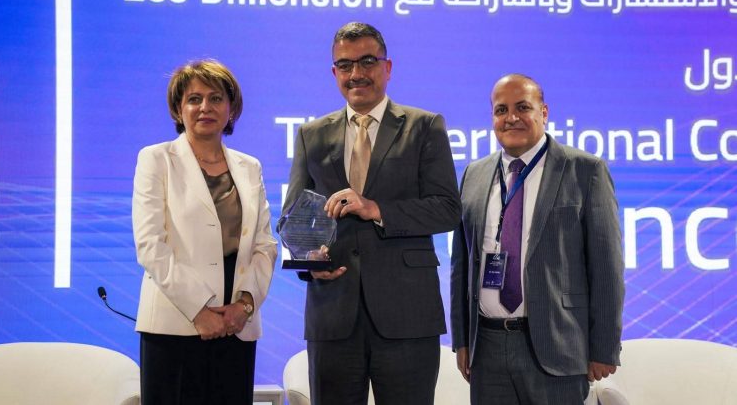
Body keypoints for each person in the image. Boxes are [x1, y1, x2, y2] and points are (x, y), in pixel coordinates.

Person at [281, 22, 461, 405]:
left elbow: (447, 210)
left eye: (367, 61)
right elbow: (292, 221)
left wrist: (376, 209)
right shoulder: (311, 135)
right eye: (345, 65)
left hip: (407, 314)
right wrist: (309, 260)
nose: (356, 74)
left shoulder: (424, 126)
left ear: (387, 67)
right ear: (334, 72)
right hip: (332, 314)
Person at [450, 74, 625, 404]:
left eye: (522, 107)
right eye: (501, 110)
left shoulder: (585, 170)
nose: (511, 117)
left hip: (557, 346)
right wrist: (462, 339)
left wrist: (603, 347)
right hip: (487, 349)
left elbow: (606, 267)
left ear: (543, 112)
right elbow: (462, 264)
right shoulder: (474, 174)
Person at [132, 59, 277, 404]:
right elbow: (151, 246)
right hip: (175, 325)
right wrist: (199, 311)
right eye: (194, 99)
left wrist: (245, 306)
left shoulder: (249, 166)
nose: (205, 107)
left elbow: (265, 244)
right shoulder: (156, 159)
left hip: (236, 326)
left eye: (215, 98)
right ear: (178, 109)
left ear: (231, 108)